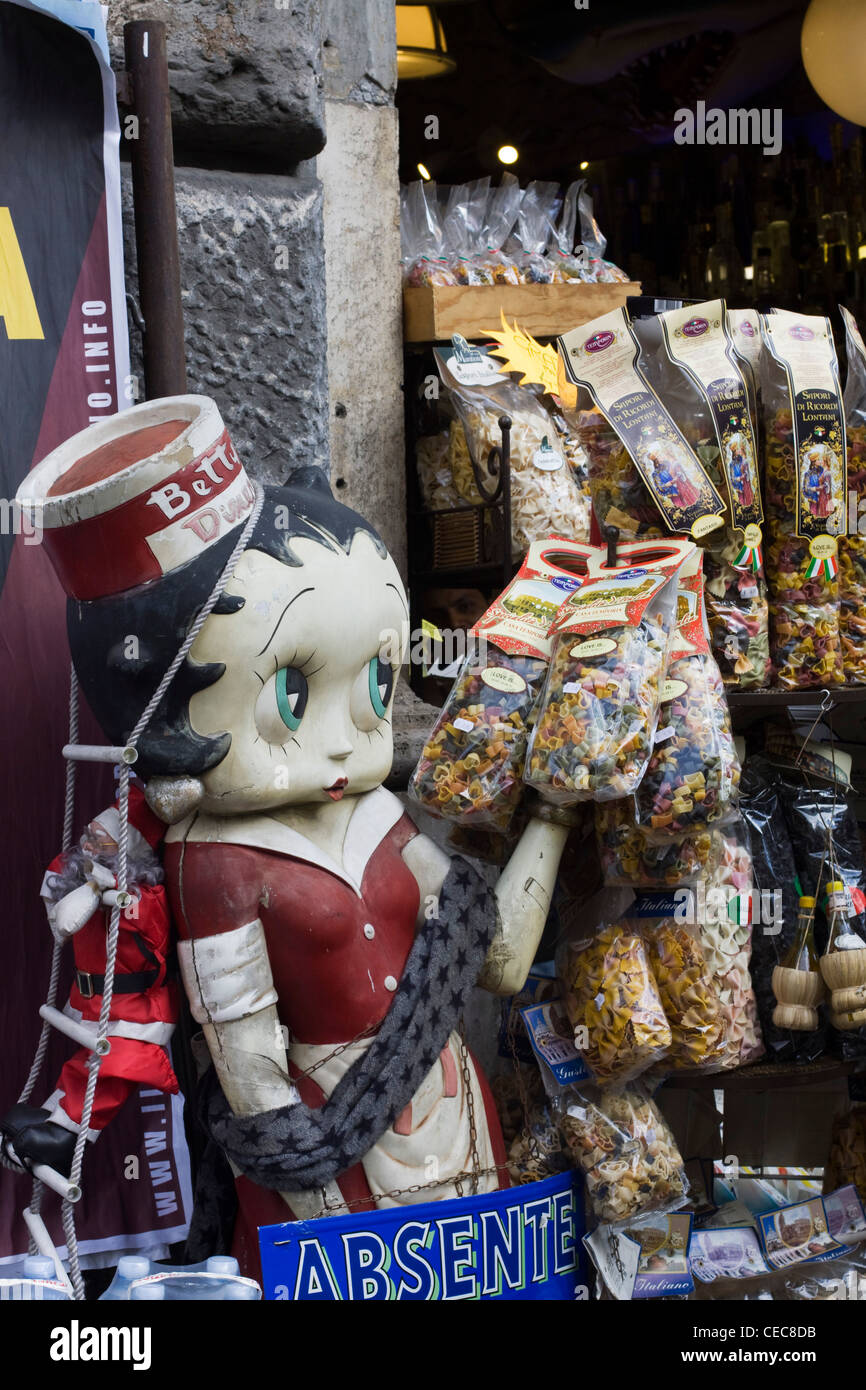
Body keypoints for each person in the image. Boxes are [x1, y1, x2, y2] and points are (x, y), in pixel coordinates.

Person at [13, 395, 572, 1280]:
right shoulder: (217, 864)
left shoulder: (379, 813)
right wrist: (323, 1218)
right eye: (297, 693)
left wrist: (554, 811)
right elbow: (254, 1082)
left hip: (454, 1113)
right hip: (327, 1157)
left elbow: (491, 955)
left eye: (376, 683)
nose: (351, 737)